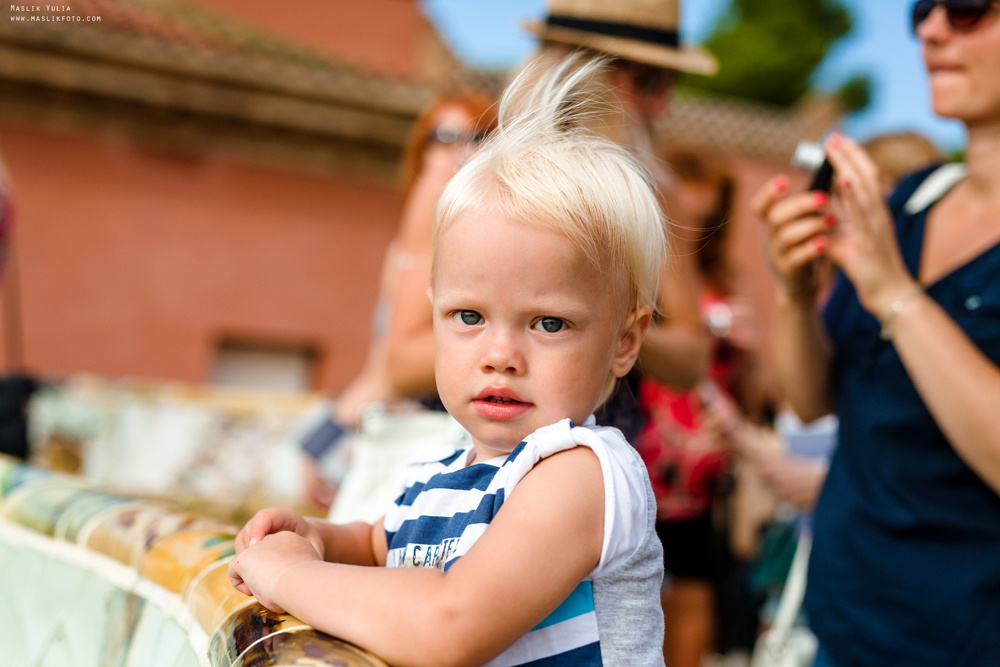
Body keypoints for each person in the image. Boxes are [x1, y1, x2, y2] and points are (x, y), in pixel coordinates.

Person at [229, 56, 668, 666]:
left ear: (624, 341)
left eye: (548, 323)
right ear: (433, 310)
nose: (500, 356)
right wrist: (317, 538)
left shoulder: (583, 475)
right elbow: (379, 546)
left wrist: (288, 576)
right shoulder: (436, 474)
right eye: (468, 316)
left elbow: (447, 627)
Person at [752, 2, 1000, 665]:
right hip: (842, 625)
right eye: (922, 9)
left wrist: (895, 293)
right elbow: (810, 400)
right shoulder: (913, 200)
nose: (931, 30)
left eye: (967, 9)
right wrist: (794, 291)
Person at [299, 88, 497, 514]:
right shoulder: (403, 248)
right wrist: (326, 435)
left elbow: (396, 365)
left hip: (453, 436)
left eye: (477, 137)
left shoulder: (490, 235)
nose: (458, 151)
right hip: (395, 429)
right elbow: (382, 364)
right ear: (419, 151)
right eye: (443, 137)